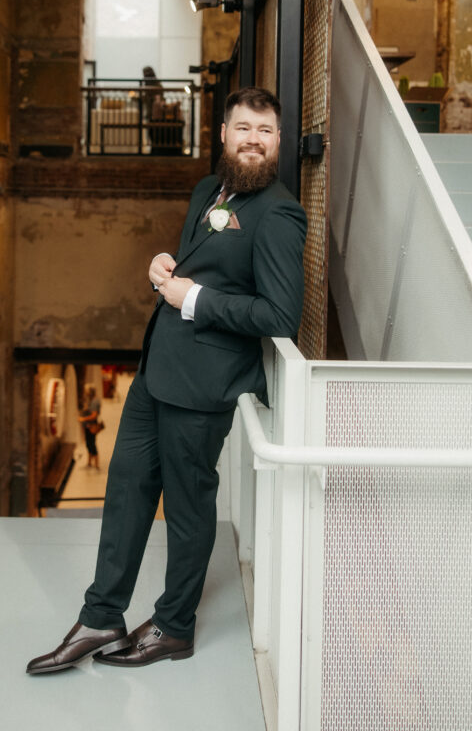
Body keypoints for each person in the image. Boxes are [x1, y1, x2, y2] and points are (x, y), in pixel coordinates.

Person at [27, 86, 306, 674]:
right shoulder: (209, 189)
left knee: (186, 509)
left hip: (205, 385)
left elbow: (279, 314)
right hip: (158, 369)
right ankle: (102, 614)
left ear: (278, 142)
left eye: (266, 131)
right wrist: (165, 267)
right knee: (125, 491)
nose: (254, 139)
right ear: (224, 133)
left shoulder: (279, 211)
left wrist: (194, 296)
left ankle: (176, 625)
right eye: (244, 128)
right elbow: (198, 263)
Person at [78, 385, 102, 469]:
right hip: (88, 425)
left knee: (92, 444)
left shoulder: (95, 402)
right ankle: (89, 463)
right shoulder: (91, 400)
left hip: (92, 425)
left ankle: (96, 464)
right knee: (88, 444)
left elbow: (94, 415)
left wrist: (83, 418)